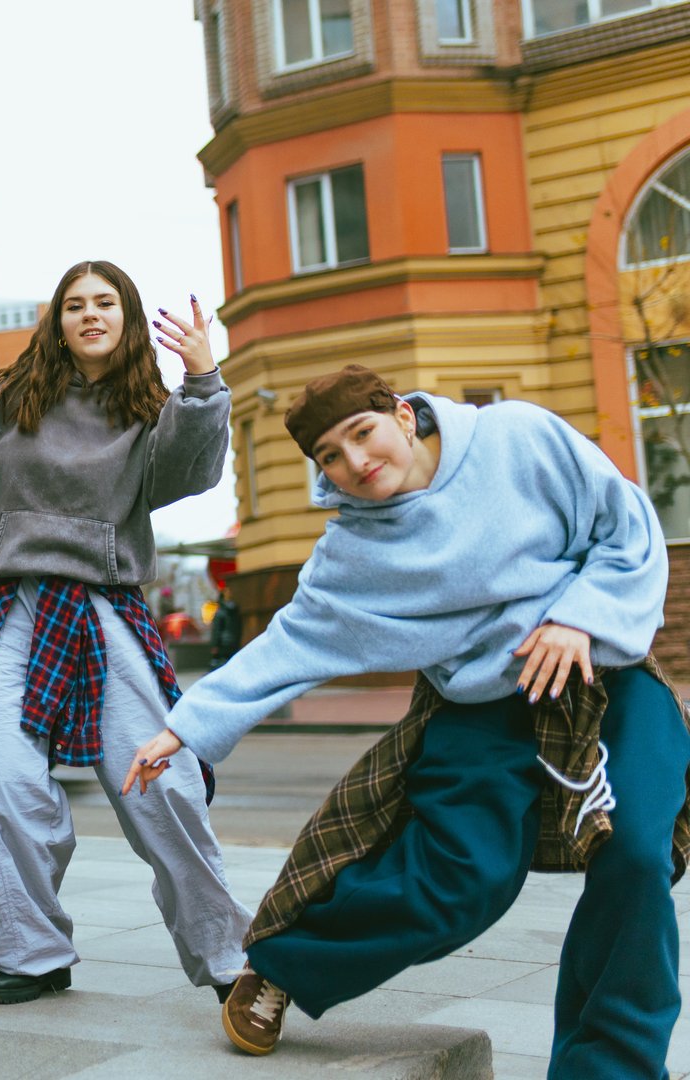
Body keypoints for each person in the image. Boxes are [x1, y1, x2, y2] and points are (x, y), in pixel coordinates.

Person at [123, 366, 688, 1076]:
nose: (356, 463)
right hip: (480, 712)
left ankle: (610, 1069)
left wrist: (579, 617)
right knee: (461, 883)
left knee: (638, 857)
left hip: (604, 682)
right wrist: (184, 727)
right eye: (330, 456)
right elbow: (288, 643)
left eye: (363, 434)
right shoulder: (355, 554)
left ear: (401, 414)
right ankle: (286, 966)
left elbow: (627, 527)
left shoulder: (517, 438)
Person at [0, 260, 252, 1006]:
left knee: (163, 779)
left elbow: (188, 475)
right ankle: (31, 953)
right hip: (2, 604)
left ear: (126, 318)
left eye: (105, 303)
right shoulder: (6, 403)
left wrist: (203, 382)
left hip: (104, 603)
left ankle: (229, 956)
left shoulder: (149, 410)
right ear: (56, 322)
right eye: (74, 305)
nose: (90, 314)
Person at [207, 586, 241, 670]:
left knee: (221, 666)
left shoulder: (220, 612)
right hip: (234, 642)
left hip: (222, 643)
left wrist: (214, 645)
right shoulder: (235, 611)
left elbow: (217, 630)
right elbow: (239, 627)